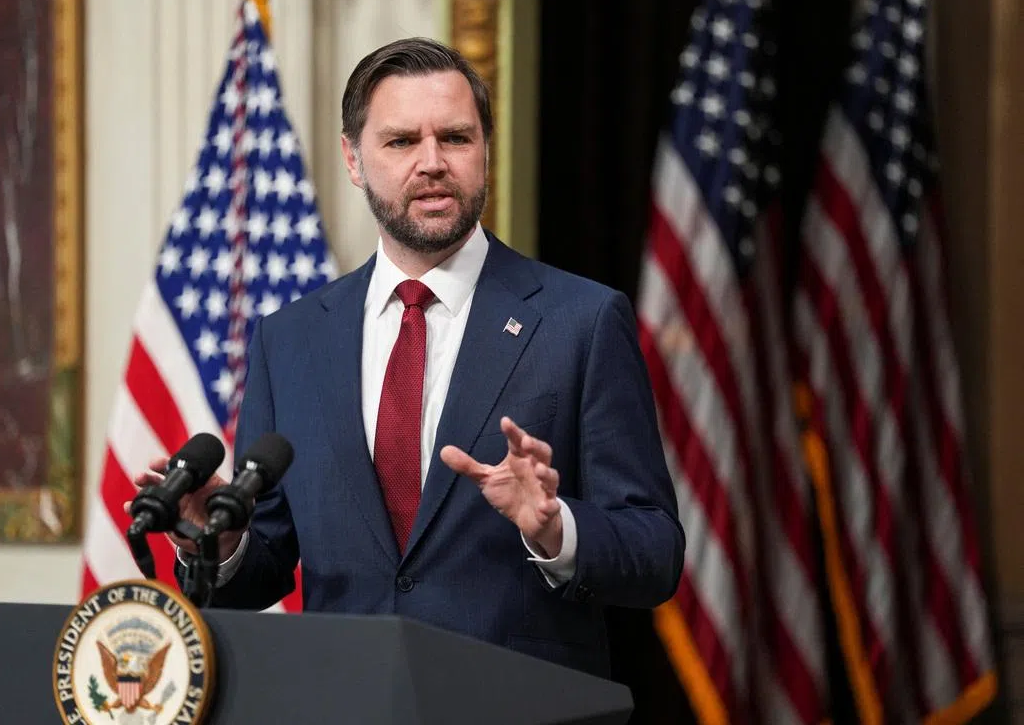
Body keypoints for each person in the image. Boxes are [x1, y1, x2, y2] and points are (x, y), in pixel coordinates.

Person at [133, 37, 684, 678]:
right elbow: (262, 569)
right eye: (400, 142)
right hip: (344, 702)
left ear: (485, 150)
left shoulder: (581, 322)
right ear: (354, 159)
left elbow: (656, 552)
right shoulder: (290, 341)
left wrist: (555, 527)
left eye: (455, 137)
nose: (432, 163)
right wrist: (218, 540)